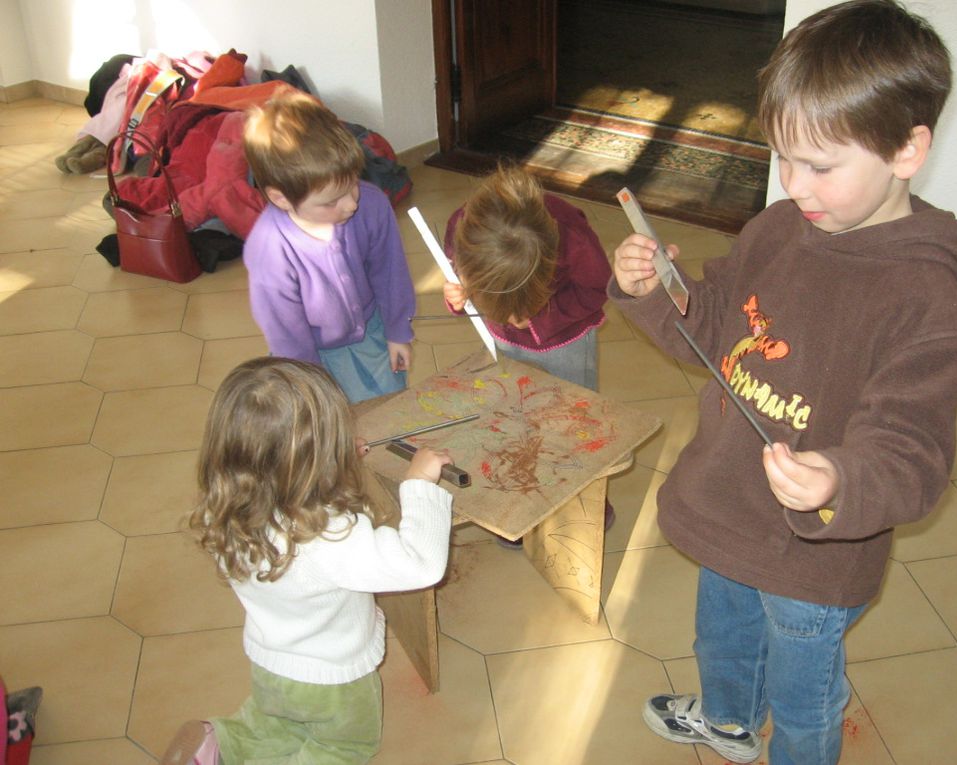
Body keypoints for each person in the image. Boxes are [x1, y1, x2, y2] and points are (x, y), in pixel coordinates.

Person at [610, 2, 957, 763]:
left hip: (815, 555)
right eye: (782, 157)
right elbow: (714, 326)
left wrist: (837, 476)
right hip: (729, 504)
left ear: (908, 150)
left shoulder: (924, 300)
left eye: (820, 165)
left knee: (806, 701)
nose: (794, 184)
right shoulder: (779, 229)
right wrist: (659, 287)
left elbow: (911, 454)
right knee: (723, 636)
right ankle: (728, 721)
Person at [160, 357, 453, 765]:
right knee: (343, 748)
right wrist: (420, 485)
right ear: (313, 459)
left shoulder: (224, 510)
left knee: (272, 724)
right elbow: (421, 563)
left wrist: (331, 460)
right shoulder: (330, 535)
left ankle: (219, 745)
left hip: (270, 663)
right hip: (334, 680)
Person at [442, 163, 615, 545]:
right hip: (503, 342)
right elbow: (457, 276)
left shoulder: (573, 236)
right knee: (513, 420)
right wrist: (459, 296)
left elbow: (597, 290)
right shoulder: (462, 229)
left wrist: (541, 317)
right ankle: (522, 507)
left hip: (565, 342)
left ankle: (587, 501)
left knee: (570, 424)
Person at [243, 91, 416, 404]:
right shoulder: (269, 249)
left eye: (352, 182)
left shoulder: (372, 203)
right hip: (310, 352)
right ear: (281, 198)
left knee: (391, 408)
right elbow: (286, 333)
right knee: (332, 428)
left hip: (374, 331)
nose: (352, 203)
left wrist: (397, 330)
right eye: (332, 201)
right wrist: (312, 385)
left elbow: (390, 273)